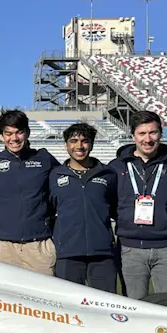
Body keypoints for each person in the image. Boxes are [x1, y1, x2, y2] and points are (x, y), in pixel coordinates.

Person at [109, 110, 167, 299]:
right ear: (133, 136)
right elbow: (109, 203)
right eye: (142, 133)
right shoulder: (116, 167)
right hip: (129, 249)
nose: (148, 139)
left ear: (160, 134)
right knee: (133, 309)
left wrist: (166, 210)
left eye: (153, 133)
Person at [0, 110, 59, 275]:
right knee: (7, 300)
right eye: (8, 133)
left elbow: (61, 186)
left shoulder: (43, 158)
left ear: (27, 133)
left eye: (19, 132)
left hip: (39, 245)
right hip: (6, 246)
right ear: (2, 136)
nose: (14, 138)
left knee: (44, 298)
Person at [48, 122, 118, 292]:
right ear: (66, 146)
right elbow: (49, 210)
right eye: (73, 141)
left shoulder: (108, 174)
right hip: (68, 254)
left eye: (85, 141)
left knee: (106, 308)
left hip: (103, 254)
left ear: (92, 144)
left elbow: (116, 209)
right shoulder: (54, 175)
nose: (79, 146)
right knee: (68, 310)